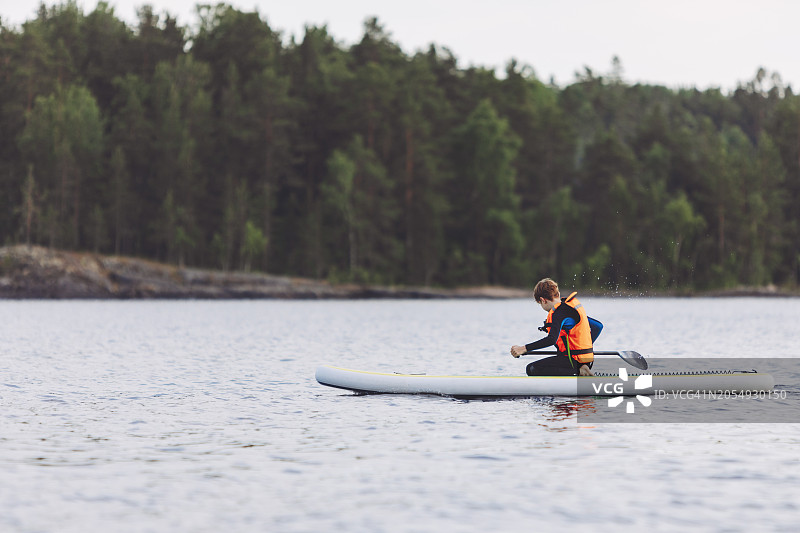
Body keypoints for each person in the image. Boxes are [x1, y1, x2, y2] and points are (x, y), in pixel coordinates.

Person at [510, 278, 603, 376]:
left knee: (532, 369)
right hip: (586, 361)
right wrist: (581, 348)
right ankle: (581, 368)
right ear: (557, 294)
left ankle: (580, 372)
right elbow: (598, 326)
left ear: (543, 300)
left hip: (572, 362)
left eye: (540, 303)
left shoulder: (558, 313)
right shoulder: (570, 308)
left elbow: (551, 339)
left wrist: (524, 348)